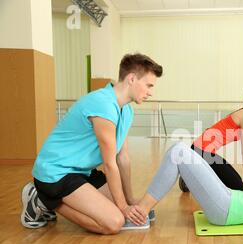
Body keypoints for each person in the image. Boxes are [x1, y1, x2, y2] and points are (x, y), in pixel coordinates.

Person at [20, 53, 163, 234]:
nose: (151, 92)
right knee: (114, 222)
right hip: (56, 172)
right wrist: (123, 208)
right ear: (132, 79)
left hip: (80, 172)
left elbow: (123, 158)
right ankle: (42, 199)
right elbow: (109, 164)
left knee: (117, 202)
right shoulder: (102, 104)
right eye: (149, 85)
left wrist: (129, 201)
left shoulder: (126, 110)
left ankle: (51, 200)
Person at [179, 85, 243, 192]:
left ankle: (194, 172)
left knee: (235, 182)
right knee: (237, 186)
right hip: (201, 151)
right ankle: (191, 175)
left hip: (201, 150)